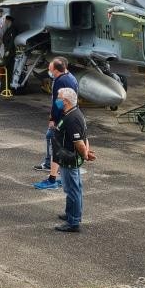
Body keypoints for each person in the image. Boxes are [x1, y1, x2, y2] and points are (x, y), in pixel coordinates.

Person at [51, 87, 96, 232]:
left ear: (65, 101)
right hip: (65, 157)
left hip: (69, 159)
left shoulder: (73, 118)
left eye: (58, 98)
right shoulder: (72, 113)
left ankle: (73, 222)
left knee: (73, 190)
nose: (56, 100)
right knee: (70, 188)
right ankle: (70, 213)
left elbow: (79, 141)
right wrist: (86, 152)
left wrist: (85, 154)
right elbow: (85, 137)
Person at [34, 57, 79, 190]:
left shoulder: (60, 81)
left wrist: (53, 119)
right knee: (52, 140)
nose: (49, 70)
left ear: (56, 70)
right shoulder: (70, 77)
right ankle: (53, 168)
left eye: (50, 68)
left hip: (62, 119)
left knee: (57, 146)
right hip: (69, 115)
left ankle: (53, 178)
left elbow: (58, 103)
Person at [0, 15, 19, 93]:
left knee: (9, 70)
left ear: (9, 21)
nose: (5, 22)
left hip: (10, 53)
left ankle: (6, 88)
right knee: (6, 69)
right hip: (6, 51)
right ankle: (4, 87)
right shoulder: (8, 29)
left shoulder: (12, 30)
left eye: (6, 21)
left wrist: (8, 50)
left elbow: (12, 41)